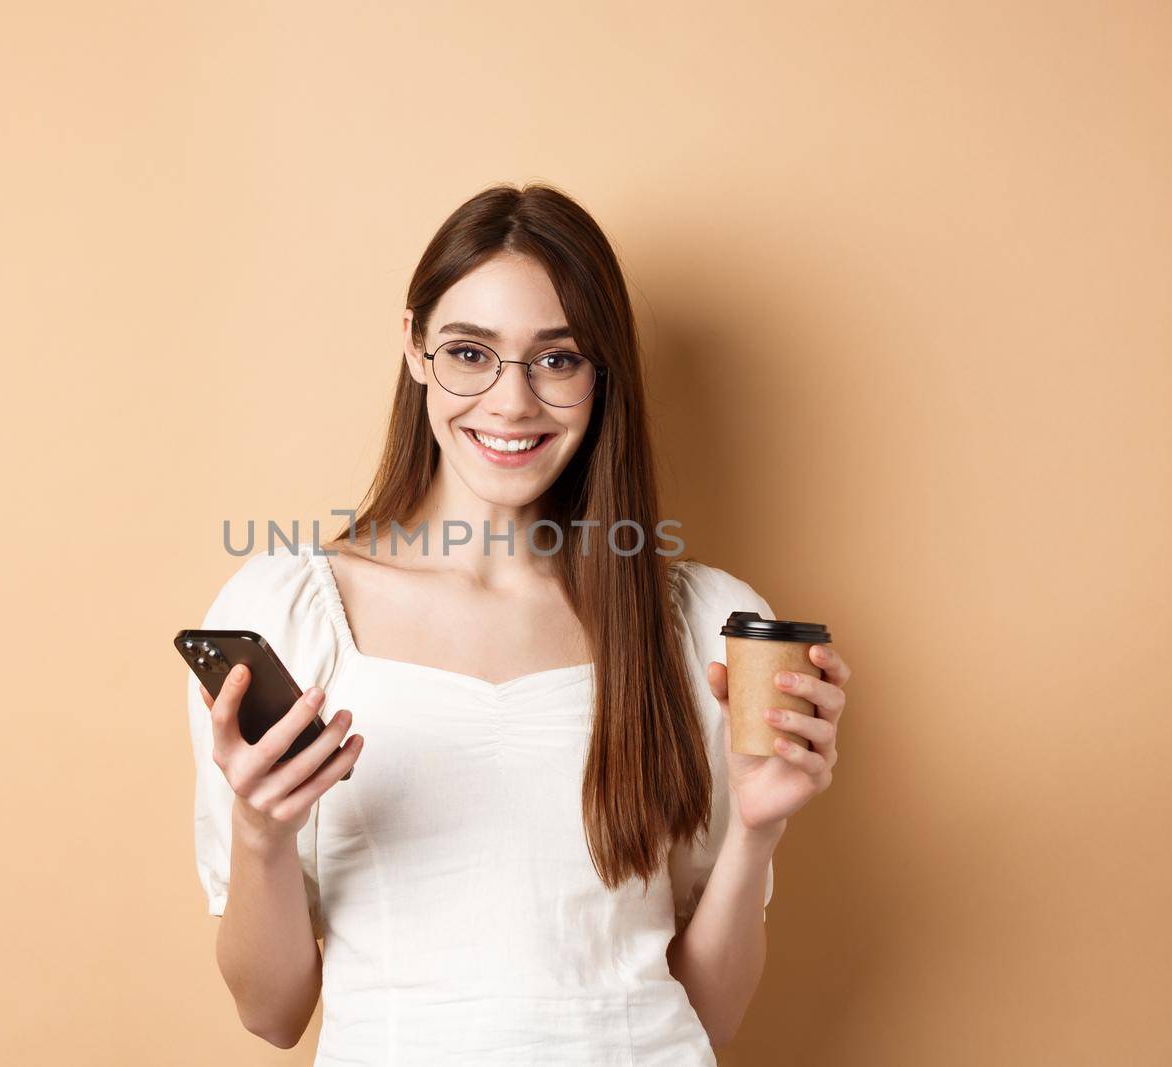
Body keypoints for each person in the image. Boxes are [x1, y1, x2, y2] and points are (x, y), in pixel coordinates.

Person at [184, 182, 851, 1064]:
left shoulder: (699, 629)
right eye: (469, 352)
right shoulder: (286, 614)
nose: (510, 404)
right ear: (415, 349)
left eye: (558, 359)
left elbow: (707, 1019)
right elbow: (272, 1014)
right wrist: (262, 834)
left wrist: (758, 830)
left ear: (601, 374)